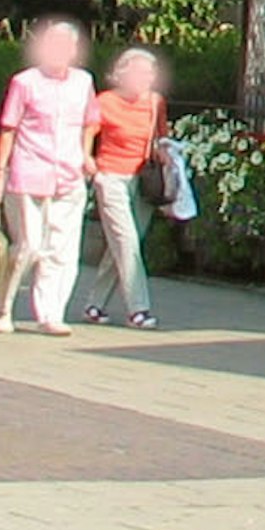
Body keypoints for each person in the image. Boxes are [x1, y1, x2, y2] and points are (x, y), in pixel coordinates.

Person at [0, 16, 95, 335]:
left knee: (61, 248)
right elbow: (8, 128)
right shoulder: (25, 82)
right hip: (28, 171)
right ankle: (3, 307)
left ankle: (51, 313)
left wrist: (86, 154)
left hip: (69, 174)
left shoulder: (82, 82)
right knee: (28, 246)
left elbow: (90, 120)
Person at [79, 44, 169, 330]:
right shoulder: (104, 101)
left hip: (143, 181)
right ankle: (138, 309)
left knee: (124, 245)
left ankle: (94, 304)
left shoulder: (155, 102)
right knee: (126, 242)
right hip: (111, 178)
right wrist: (87, 159)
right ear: (122, 74)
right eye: (140, 73)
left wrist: (163, 153)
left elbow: (161, 137)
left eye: (150, 73)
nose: (146, 79)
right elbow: (88, 132)